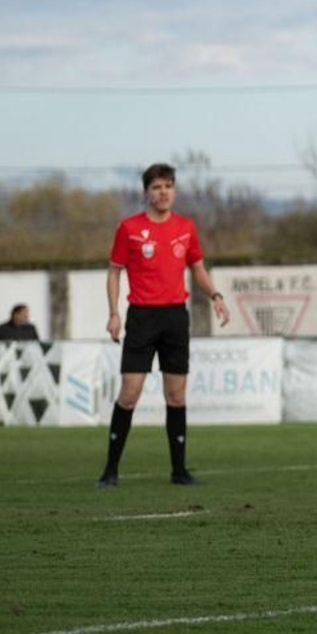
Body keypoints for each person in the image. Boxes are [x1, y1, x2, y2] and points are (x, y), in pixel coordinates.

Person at [98, 163, 230, 487]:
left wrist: (215, 294)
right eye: (157, 187)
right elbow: (114, 271)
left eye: (168, 186)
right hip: (142, 316)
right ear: (146, 192)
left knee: (176, 395)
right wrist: (114, 313)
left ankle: (179, 471)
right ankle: (110, 470)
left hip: (174, 316)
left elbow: (197, 268)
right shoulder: (128, 228)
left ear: (174, 190)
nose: (163, 192)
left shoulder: (186, 227)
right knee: (130, 394)